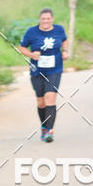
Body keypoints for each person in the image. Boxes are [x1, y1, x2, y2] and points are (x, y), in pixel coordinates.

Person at [19, 8, 68, 142]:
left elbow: (64, 40)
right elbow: (22, 48)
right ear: (40, 20)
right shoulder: (31, 32)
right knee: (41, 102)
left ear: (52, 19)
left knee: (50, 98)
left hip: (54, 69)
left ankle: (50, 132)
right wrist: (31, 54)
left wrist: (65, 51)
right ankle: (44, 127)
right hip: (37, 70)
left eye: (48, 19)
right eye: (43, 19)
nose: (45, 21)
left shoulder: (59, 30)